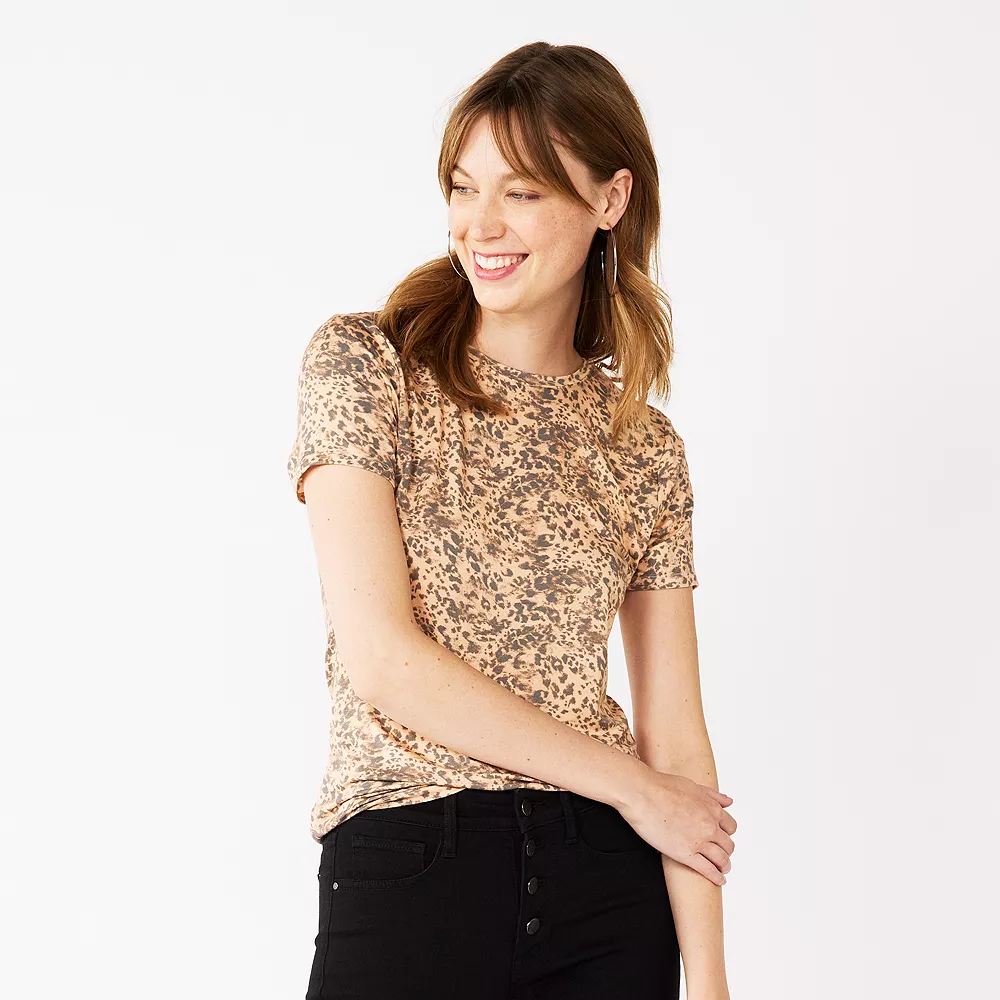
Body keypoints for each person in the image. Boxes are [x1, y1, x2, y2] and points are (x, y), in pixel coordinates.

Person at [287, 41, 736, 1000]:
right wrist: (632, 786)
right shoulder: (366, 366)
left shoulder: (643, 447)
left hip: (607, 893)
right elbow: (384, 660)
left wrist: (709, 977)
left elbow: (675, 736)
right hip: (412, 865)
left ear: (611, 199)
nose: (480, 224)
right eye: (463, 187)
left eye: (522, 192)